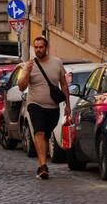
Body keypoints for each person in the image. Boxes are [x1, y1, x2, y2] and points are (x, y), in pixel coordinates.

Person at [16, 36, 70, 180]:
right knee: (39, 132)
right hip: (35, 105)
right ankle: (43, 166)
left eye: (41, 47)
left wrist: (68, 106)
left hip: (53, 107)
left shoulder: (57, 63)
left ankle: (41, 165)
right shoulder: (29, 65)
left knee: (46, 135)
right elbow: (21, 87)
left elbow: (64, 84)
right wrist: (27, 71)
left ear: (46, 48)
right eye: (36, 47)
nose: (39, 50)